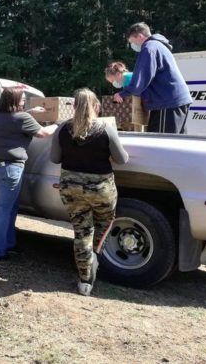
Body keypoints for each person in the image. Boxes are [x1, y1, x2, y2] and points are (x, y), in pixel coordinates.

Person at [50, 88, 129, 296]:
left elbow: (54, 158)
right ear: (96, 106)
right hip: (100, 189)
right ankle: (94, 255)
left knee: (81, 231)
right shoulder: (105, 128)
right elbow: (122, 159)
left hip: (71, 188)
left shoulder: (62, 129)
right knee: (104, 223)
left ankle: (85, 280)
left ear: (74, 106)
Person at [0, 87, 57, 260]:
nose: (24, 101)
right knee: (4, 210)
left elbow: (12, 119)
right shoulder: (22, 118)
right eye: (22, 99)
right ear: (14, 101)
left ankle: (9, 244)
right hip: (9, 169)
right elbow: (43, 133)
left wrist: (31, 112)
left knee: (10, 207)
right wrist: (58, 124)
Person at [113, 22, 192, 133]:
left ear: (140, 36)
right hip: (175, 101)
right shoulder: (158, 45)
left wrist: (122, 94)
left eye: (131, 42)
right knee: (177, 143)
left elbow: (140, 81)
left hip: (167, 102)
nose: (132, 46)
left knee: (160, 142)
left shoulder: (148, 48)